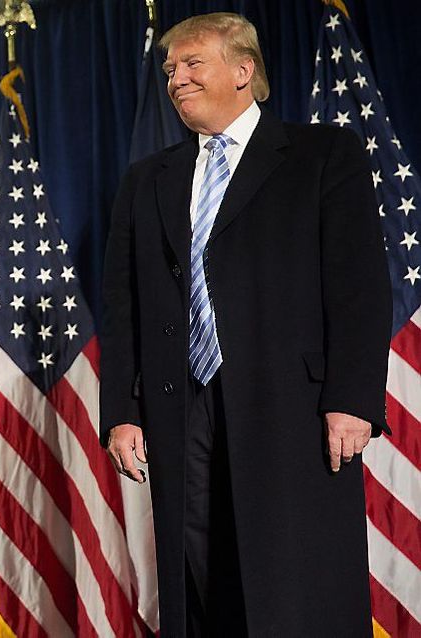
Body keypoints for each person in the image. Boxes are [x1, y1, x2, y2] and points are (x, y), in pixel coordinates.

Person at [100, 13, 391, 637]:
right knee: (201, 573)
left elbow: (359, 286)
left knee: (294, 577)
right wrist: (123, 409)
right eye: (171, 68)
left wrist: (351, 398)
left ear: (243, 69)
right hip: (184, 406)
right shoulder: (147, 180)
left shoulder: (320, 156)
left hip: (295, 405)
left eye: (192, 63)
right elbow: (123, 303)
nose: (177, 78)